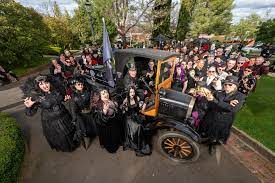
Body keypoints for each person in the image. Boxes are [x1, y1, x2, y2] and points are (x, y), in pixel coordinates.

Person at [21, 75, 78, 152]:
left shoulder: (56, 90)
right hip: (51, 121)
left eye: (46, 82)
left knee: (69, 132)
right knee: (61, 136)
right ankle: (66, 148)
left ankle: (73, 144)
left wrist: (64, 99)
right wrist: (29, 107)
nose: (45, 85)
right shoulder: (37, 97)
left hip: (64, 115)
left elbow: (60, 100)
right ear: (38, 86)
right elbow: (29, 113)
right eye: (41, 84)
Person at [204, 76, 245, 154]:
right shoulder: (219, 92)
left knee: (220, 133)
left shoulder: (240, 96)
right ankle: (210, 141)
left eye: (230, 84)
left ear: (235, 86)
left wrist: (216, 102)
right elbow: (211, 103)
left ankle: (213, 145)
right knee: (211, 130)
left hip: (225, 119)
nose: (227, 86)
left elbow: (233, 109)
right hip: (214, 116)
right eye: (225, 84)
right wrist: (210, 100)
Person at [121, 86, 151, 156]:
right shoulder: (125, 101)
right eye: (131, 92)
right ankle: (137, 143)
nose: (132, 93)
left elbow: (142, 110)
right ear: (128, 93)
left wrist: (145, 102)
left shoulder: (137, 98)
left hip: (137, 116)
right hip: (129, 118)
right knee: (138, 127)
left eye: (133, 92)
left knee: (143, 125)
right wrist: (123, 108)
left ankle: (141, 141)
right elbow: (124, 113)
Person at [69, 76, 97, 149]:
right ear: (74, 86)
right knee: (85, 129)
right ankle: (87, 136)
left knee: (93, 126)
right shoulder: (74, 97)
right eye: (78, 84)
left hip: (90, 112)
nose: (81, 85)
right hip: (82, 115)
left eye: (81, 84)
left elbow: (93, 92)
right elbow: (73, 110)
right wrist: (75, 119)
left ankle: (93, 134)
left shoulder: (87, 91)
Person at [94, 88, 122, 153]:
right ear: (99, 96)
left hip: (114, 123)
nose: (106, 94)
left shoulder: (112, 100)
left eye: (106, 92)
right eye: (103, 94)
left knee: (116, 134)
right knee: (110, 139)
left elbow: (117, 111)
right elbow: (98, 119)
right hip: (106, 127)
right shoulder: (98, 105)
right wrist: (104, 111)